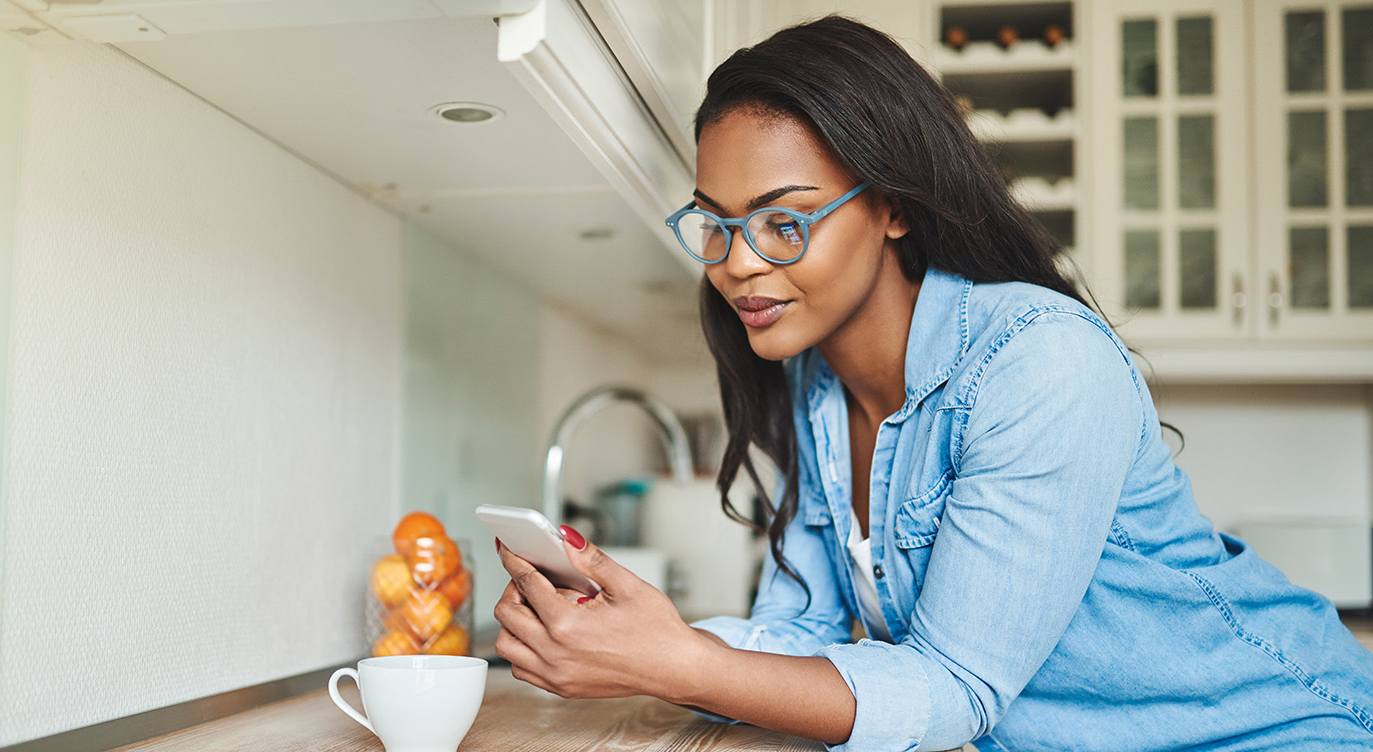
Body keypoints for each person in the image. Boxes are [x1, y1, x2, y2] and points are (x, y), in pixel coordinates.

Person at [488, 15, 1373, 752]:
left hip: (1280, 731)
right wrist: (627, 631)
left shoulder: (1039, 362)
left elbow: (956, 688)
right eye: (716, 226)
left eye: (786, 223)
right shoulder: (816, 390)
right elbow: (801, 638)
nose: (740, 265)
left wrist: (671, 663)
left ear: (894, 207)